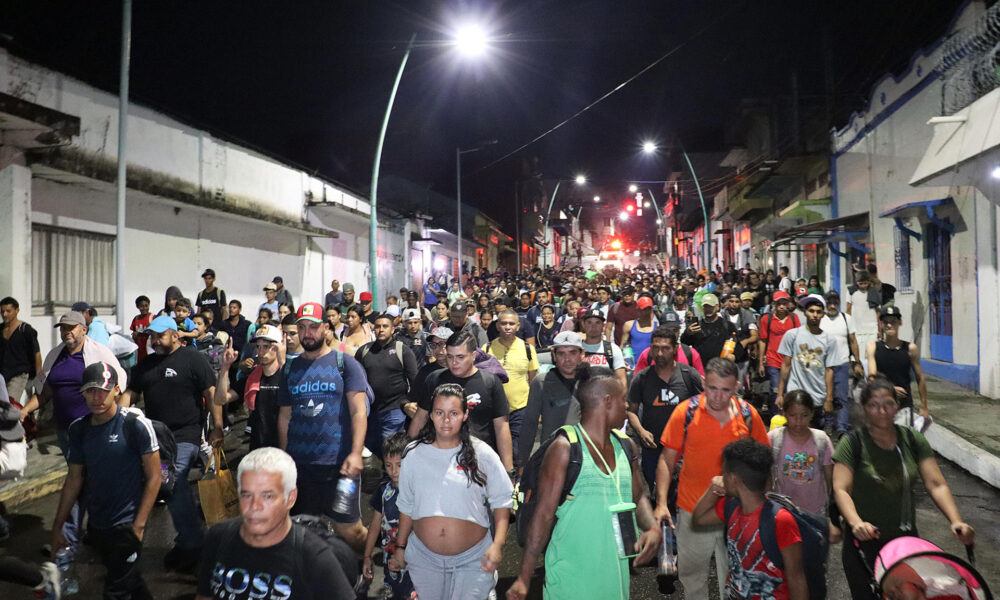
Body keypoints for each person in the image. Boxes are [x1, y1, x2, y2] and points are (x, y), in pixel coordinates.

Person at [507, 364, 661, 600]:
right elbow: (543, 515)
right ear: (607, 401)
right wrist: (524, 577)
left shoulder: (626, 445)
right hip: (572, 580)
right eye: (624, 400)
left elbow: (637, 496)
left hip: (615, 578)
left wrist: (651, 527)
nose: (627, 406)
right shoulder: (565, 448)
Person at [832, 376, 975, 600]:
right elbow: (841, 489)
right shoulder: (852, 443)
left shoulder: (912, 439)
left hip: (905, 545)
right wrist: (856, 523)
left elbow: (936, 484)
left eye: (888, 403)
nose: (882, 411)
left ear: (896, 406)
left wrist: (956, 520)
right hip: (864, 544)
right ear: (865, 408)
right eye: (873, 405)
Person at [653, 358, 769, 599]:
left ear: (737, 387)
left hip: (737, 513)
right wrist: (662, 503)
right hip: (692, 510)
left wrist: (762, 504)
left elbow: (765, 462)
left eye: (725, 390)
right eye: (712, 388)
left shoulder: (748, 415)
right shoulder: (685, 412)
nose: (717, 396)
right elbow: (666, 460)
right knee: (692, 579)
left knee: (738, 578)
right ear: (703, 382)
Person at [390, 383, 513, 600]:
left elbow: (502, 502)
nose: (446, 420)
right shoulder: (413, 454)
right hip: (424, 560)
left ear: (465, 414)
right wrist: (400, 548)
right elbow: (406, 506)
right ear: (431, 415)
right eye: (439, 412)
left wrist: (498, 545)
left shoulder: (482, 453)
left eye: (454, 413)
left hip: (474, 560)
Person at [52, 361, 161, 600]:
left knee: (115, 591)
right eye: (90, 390)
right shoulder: (78, 429)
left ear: (116, 390)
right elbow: (74, 479)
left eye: (103, 390)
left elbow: (155, 477)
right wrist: (58, 526)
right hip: (98, 525)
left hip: (128, 525)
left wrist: (139, 525)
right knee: (128, 581)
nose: (97, 397)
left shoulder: (134, 424)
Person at [122, 315, 221, 571]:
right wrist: (117, 415)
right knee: (167, 485)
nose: (154, 340)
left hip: (187, 436)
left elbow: (211, 393)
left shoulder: (193, 359)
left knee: (172, 480)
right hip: (158, 441)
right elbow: (131, 393)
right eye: (152, 336)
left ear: (175, 335)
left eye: (160, 335)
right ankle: (190, 539)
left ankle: (192, 543)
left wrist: (217, 427)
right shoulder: (146, 364)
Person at [195, 447, 354, 600]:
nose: (255, 506)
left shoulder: (314, 556)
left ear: (290, 498)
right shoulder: (218, 537)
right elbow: (204, 595)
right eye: (246, 494)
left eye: (268, 496)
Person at [277, 302, 368, 553]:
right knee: (303, 528)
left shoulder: (344, 363)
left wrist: (355, 453)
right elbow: (285, 417)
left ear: (326, 328)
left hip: (339, 466)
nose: (308, 333)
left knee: (349, 529)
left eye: (314, 327)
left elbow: (359, 411)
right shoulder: (290, 369)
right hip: (301, 467)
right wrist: (285, 460)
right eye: (302, 327)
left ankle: (368, 559)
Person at [33, 311, 127, 551]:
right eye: (63, 328)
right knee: (85, 480)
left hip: (92, 427)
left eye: (72, 328)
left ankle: (68, 536)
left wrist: (113, 416)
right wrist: (24, 412)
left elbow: (120, 381)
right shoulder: (56, 355)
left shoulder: (99, 352)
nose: (67, 332)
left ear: (84, 329)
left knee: (79, 478)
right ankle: (96, 530)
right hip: (66, 430)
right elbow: (43, 390)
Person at [691, 439, 808, 600]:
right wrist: (713, 489)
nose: (721, 476)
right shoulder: (731, 507)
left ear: (734, 480)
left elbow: (796, 577)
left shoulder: (780, 520)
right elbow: (699, 518)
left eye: (723, 472)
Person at [408, 331, 514, 474]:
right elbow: (420, 419)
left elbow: (501, 427)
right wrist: (407, 456)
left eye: (460, 357)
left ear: (474, 356)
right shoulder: (434, 379)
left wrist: (508, 470)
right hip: (440, 462)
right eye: (450, 357)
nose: (454, 362)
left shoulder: (490, 382)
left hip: (479, 463)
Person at [627, 328, 702, 494]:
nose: (660, 353)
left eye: (665, 348)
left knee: (682, 494)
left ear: (675, 349)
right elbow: (631, 411)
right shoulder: (642, 378)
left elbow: (705, 404)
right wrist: (641, 431)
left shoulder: (688, 375)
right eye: (655, 348)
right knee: (656, 493)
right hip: (653, 447)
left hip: (683, 449)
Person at [518, 331, 586, 466]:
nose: (567, 359)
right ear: (554, 355)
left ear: (582, 354)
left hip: (586, 459)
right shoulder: (541, 382)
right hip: (551, 458)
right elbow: (529, 425)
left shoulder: (592, 382)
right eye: (561, 353)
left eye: (573, 352)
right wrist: (522, 464)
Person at [767, 390, 836, 521]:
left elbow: (829, 476)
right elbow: (764, 472)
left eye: (804, 415)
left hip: (815, 510)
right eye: (793, 415)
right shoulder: (774, 439)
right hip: (782, 510)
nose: (798, 421)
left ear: (812, 414)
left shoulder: (821, 440)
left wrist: (832, 502)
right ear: (785, 414)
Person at [356, 314, 418, 456]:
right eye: (377, 326)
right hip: (370, 412)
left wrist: (407, 404)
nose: (381, 330)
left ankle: (393, 478)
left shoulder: (403, 350)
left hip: (395, 411)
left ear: (393, 330)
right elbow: (355, 380)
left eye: (385, 326)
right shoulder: (364, 351)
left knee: (392, 452)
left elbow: (415, 381)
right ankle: (380, 478)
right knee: (371, 452)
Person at [362, 433, 414, 600]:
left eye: (400, 465)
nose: (394, 471)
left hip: (416, 560)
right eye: (389, 465)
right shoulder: (384, 490)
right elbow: (375, 525)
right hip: (389, 558)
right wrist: (367, 556)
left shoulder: (418, 490)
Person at [216, 325, 285, 450]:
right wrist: (225, 367)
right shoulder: (252, 378)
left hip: (283, 449)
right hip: (257, 447)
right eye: (258, 346)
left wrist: (283, 361)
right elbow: (221, 399)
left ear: (278, 348)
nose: (261, 351)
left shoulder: (287, 376)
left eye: (267, 346)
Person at [484, 309, 538, 466]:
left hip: (520, 409)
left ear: (518, 326)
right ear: (498, 326)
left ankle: (514, 486)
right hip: (493, 411)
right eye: (504, 323)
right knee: (492, 454)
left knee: (516, 453)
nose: (508, 326)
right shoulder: (486, 349)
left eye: (511, 323)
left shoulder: (528, 349)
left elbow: (532, 379)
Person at [777, 294, 836, 429]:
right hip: (795, 394)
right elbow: (786, 365)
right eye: (811, 311)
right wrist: (780, 394)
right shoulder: (792, 335)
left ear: (823, 314)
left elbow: (829, 370)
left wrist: (829, 399)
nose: (814, 315)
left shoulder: (829, 340)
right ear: (805, 312)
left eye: (818, 312)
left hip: (817, 397)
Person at [866, 305, 928, 426]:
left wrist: (924, 406)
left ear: (900, 322)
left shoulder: (911, 349)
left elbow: (920, 378)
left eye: (893, 322)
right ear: (881, 324)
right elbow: (872, 378)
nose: (889, 325)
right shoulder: (873, 347)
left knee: (903, 442)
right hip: (881, 405)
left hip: (903, 407)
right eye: (886, 322)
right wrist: (890, 389)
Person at [821, 290, 864, 436]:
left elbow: (853, 341)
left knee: (842, 397)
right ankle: (827, 423)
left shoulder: (847, 319)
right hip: (824, 365)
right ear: (825, 304)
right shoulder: (820, 319)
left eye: (835, 302)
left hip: (842, 364)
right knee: (826, 396)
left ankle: (841, 427)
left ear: (839, 303)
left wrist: (857, 362)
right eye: (829, 302)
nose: (832, 305)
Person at [757, 291, 801, 419]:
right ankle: (775, 417)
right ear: (774, 305)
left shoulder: (794, 318)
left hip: (790, 360)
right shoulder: (767, 319)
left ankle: (789, 416)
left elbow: (799, 338)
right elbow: (763, 340)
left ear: (788, 304)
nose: (781, 306)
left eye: (784, 303)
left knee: (790, 390)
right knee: (775, 389)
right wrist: (761, 362)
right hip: (773, 360)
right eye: (778, 304)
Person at [633, 311, 705, 375]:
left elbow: (701, 385)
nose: (672, 334)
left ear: (679, 331)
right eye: (667, 330)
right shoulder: (648, 354)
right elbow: (637, 384)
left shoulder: (691, 354)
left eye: (675, 330)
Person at [0, 296, 41, 405]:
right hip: (2, 375)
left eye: (8, 311)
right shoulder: (0, 329)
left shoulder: (25, 330)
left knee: (9, 405)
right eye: (2, 311)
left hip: (18, 374)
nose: (4, 315)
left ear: (17, 310)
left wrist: (39, 378)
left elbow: (36, 353)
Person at [579, 308, 628, 390]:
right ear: (583, 325)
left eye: (597, 323)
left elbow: (621, 379)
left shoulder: (613, 349)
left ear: (603, 326)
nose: (593, 326)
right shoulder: (577, 349)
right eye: (589, 322)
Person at [846, 272, 879, 374]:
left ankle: (871, 376)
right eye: (861, 283)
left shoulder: (873, 292)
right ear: (857, 282)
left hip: (872, 328)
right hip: (857, 329)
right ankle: (859, 376)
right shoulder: (851, 292)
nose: (863, 286)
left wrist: (879, 327)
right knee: (858, 357)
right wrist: (848, 326)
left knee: (871, 355)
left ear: (869, 282)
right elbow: (848, 309)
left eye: (865, 283)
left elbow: (878, 311)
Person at [619, 295, 658, 368]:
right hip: (634, 365)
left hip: (652, 366)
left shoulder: (657, 326)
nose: (647, 312)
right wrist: (621, 360)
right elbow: (623, 344)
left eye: (649, 309)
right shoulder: (629, 325)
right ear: (638, 310)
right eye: (644, 309)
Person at [130, 295, 153, 362]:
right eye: (141, 306)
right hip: (139, 350)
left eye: (146, 306)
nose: (144, 308)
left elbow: (154, 333)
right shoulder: (136, 318)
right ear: (137, 307)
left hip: (149, 350)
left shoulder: (152, 318)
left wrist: (140, 334)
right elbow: (134, 332)